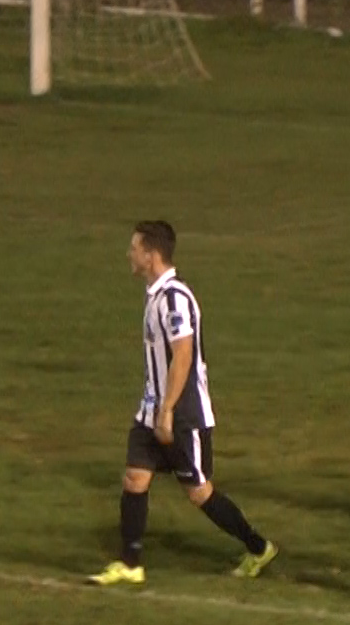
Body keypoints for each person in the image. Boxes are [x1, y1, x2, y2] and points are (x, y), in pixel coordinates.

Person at [88, 221, 278, 586]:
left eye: (134, 248)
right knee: (134, 478)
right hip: (152, 411)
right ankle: (130, 563)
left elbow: (184, 355)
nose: (129, 254)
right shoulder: (156, 296)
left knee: (199, 492)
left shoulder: (175, 298)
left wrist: (167, 410)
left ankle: (258, 547)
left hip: (181, 415)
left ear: (151, 254)